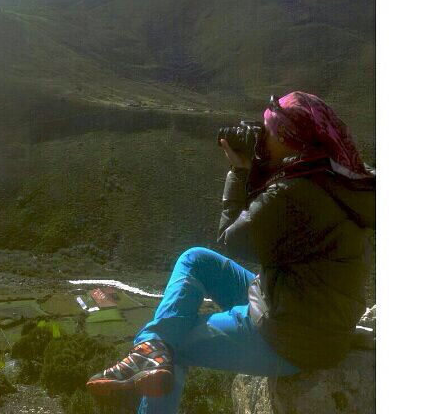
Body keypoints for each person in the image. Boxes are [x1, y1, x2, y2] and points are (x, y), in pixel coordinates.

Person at [86, 91, 375, 414]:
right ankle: (152, 345)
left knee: (172, 347)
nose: (262, 137)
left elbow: (231, 239)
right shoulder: (343, 176)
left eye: (270, 132)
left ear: (291, 141)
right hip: (312, 313)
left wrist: (239, 173)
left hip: (291, 338)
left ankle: (154, 350)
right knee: (196, 259)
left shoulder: (294, 193)